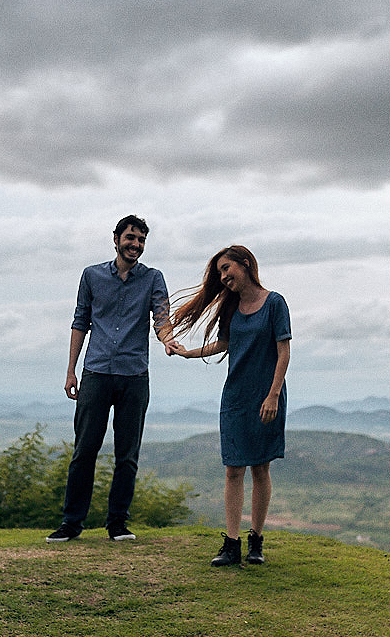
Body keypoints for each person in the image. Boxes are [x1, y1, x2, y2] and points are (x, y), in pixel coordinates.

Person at [46, 215, 176, 543]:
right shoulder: (91, 276)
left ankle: (117, 524)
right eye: (131, 238)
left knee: (127, 453)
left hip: (134, 376)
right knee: (84, 450)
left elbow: (162, 316)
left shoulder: (153, 278)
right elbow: (80, 322)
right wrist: (71, 370)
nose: (135, 244)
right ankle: (71, 523)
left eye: (141, 240)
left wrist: (167, 339)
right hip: (96, 373)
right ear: (116, 238)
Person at [167, 245, 291, 566]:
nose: (223, 277)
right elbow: (223, 344)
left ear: (246, 263)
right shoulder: (232, 308)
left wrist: (274, 394)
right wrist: (186, 353)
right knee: (233, 469)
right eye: (219, 272)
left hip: (267, 397)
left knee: (260, 467)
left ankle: (256, 540)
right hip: (235, 398)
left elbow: (283, 351)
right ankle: (232, 544)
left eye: (226, 269)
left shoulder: (275, 303)